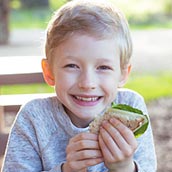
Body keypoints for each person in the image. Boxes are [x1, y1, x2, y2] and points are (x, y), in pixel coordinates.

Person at [2, 0, 157, 171]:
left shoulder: (131, 108)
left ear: (123, 74)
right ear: (49, 72)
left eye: (103, 67)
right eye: (72, 66)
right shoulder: (33, 118)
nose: (87, 83)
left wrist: (125, 167)